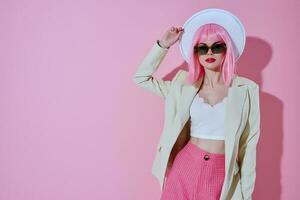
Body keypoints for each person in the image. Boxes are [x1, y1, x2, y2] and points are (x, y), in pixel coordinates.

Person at [133, 8, 260, 200]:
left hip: (221, 172)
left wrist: (246, 194)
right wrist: (163, 45)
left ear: (227, 50)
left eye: (217, 47)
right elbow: (141, 78)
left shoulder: (246, 89)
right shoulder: (182, 86)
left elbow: (248, 146)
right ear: (196, 53)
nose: (209, 52)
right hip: (185, 167)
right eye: (202, 48)